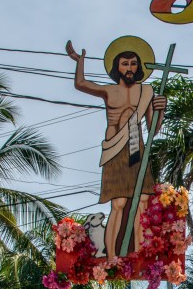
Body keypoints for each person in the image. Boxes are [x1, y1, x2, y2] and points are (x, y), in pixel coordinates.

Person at [66, 37, 166, 262]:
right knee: (118, 204)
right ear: (117, 67)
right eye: (124, 63)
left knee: (141, 203)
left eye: (132, 63)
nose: (129, 68)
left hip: (136, 147)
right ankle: (112, 257)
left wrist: (161, 110)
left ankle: (139, 255)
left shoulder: (147, 92)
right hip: (114, 149)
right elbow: (81, 84)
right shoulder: (109, 91)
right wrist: (79, 61)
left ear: (138, 66)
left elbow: (152, 129)